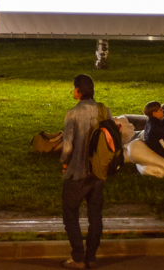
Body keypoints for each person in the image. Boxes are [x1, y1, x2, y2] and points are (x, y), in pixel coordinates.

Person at [60, 73, 104, 269]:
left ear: (78, 91)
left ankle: (78, 257)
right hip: (98, 171)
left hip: (77, 172)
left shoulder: (73, 113)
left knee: (70, 213)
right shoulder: (104, 110)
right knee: (95, 215)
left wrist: (64, 163)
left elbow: (67, 146)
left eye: (73, 87)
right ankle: (91, 257)